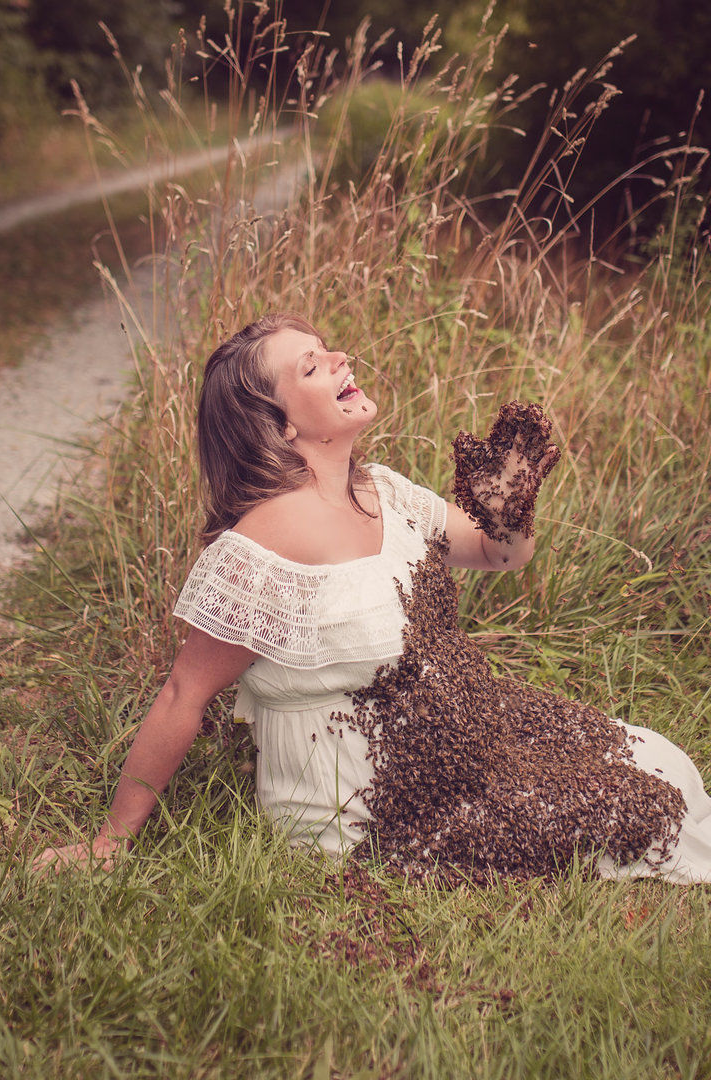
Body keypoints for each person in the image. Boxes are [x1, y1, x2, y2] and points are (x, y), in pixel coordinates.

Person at [35, 312, 711, 883]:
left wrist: (507, 500)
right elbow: (185, 693)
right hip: (370, 801)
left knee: (667, 763)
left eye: (326, 350)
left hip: (463, 735)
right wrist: (109, 842)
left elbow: (499, 554)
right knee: (644, 806)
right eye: (310, 367)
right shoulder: (263, 544)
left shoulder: (382, 490)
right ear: (277, 426)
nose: (338, 359)